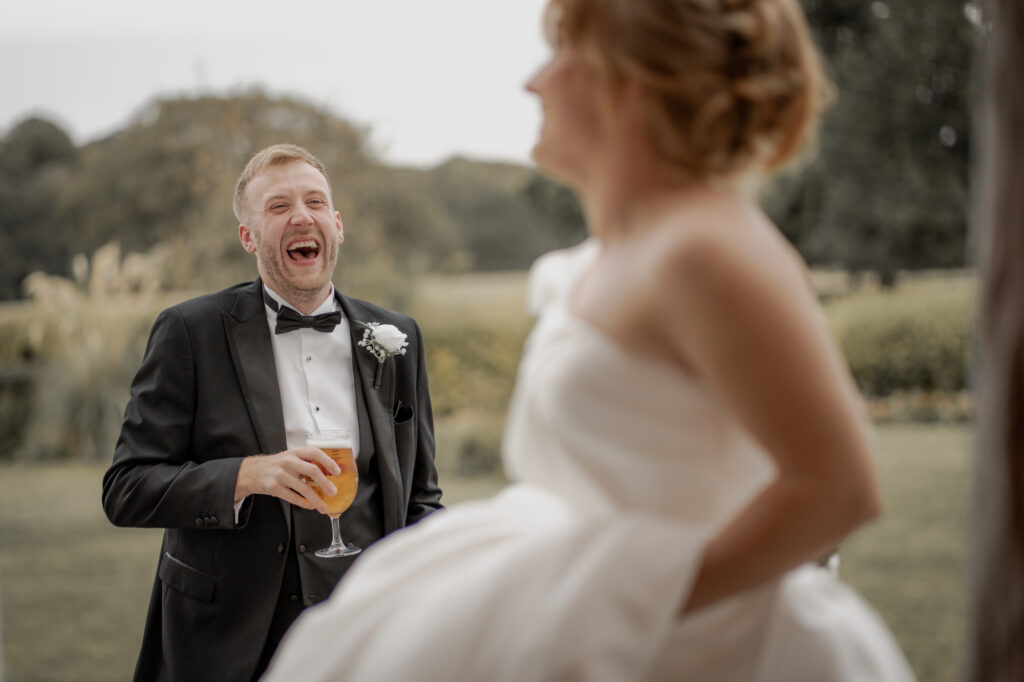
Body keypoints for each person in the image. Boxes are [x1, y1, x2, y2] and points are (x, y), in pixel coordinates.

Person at [264, 0, 916, 679]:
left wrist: (626, 609)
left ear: (631, 81)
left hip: (705, 648)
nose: (535, 82)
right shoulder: (612, 255)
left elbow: (840, 488)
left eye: (562, 53)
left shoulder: (710, 249)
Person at [101, 143, 443, 682]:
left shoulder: (396, 336)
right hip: (231, 637)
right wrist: (248, 475)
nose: (301, 216)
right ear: (248, 236)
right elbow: (127, 488)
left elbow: (421, 496)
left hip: (366, 629)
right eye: (279, 206)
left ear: (337, 225)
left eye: (314, 201)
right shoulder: (190, 332)